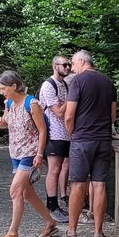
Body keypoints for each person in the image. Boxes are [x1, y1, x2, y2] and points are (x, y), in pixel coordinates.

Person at [0, 70, 55, 237]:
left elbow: (42, 130)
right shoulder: (9, 103)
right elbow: (6, 123)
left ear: (13, 86)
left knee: (15, 190)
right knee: (26, 192)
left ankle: (13, 233)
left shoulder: (32, 103)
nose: (1, 91)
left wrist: (40, 154)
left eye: (3, 88)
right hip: (16, 153)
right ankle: (50, 222)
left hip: (30, 153)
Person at [64, 49, 116, 237]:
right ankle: (98, 233)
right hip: (103, 140)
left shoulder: (78, 82)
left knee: (77, 184)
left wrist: (72, 134)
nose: (72, 68)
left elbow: (69, 115)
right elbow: (112, 116)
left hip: (82, 139)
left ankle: (72, 232)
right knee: (99, 184)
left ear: (82, 62)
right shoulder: (108, 82)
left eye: (73, 64)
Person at [38, 56, 73, 224]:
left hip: (66, 134)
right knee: (54, 169)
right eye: (64, 65)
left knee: (61, 169)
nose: (67, 67)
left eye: (69, 65)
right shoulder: (48, 85)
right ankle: (52, 206)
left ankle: (59, 203)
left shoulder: (64, 85)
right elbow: (59, 112)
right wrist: (69, 100)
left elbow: (64, 109)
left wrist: (65, 102)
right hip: (53, 134)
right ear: (55, 66)